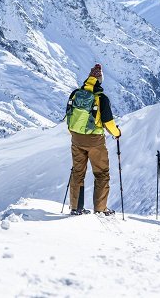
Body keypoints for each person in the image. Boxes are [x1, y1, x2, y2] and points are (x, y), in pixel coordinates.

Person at [65, 63, 121, 216]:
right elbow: (109, 122)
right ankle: (100, 209)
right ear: (100, 80)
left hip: (76, 138)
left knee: (77, 172)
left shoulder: (75, 94)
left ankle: (76, 207)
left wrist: (75, 134)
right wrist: (117, 133)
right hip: (95, 140)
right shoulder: (101, 98)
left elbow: (68, 116)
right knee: (102, 173)